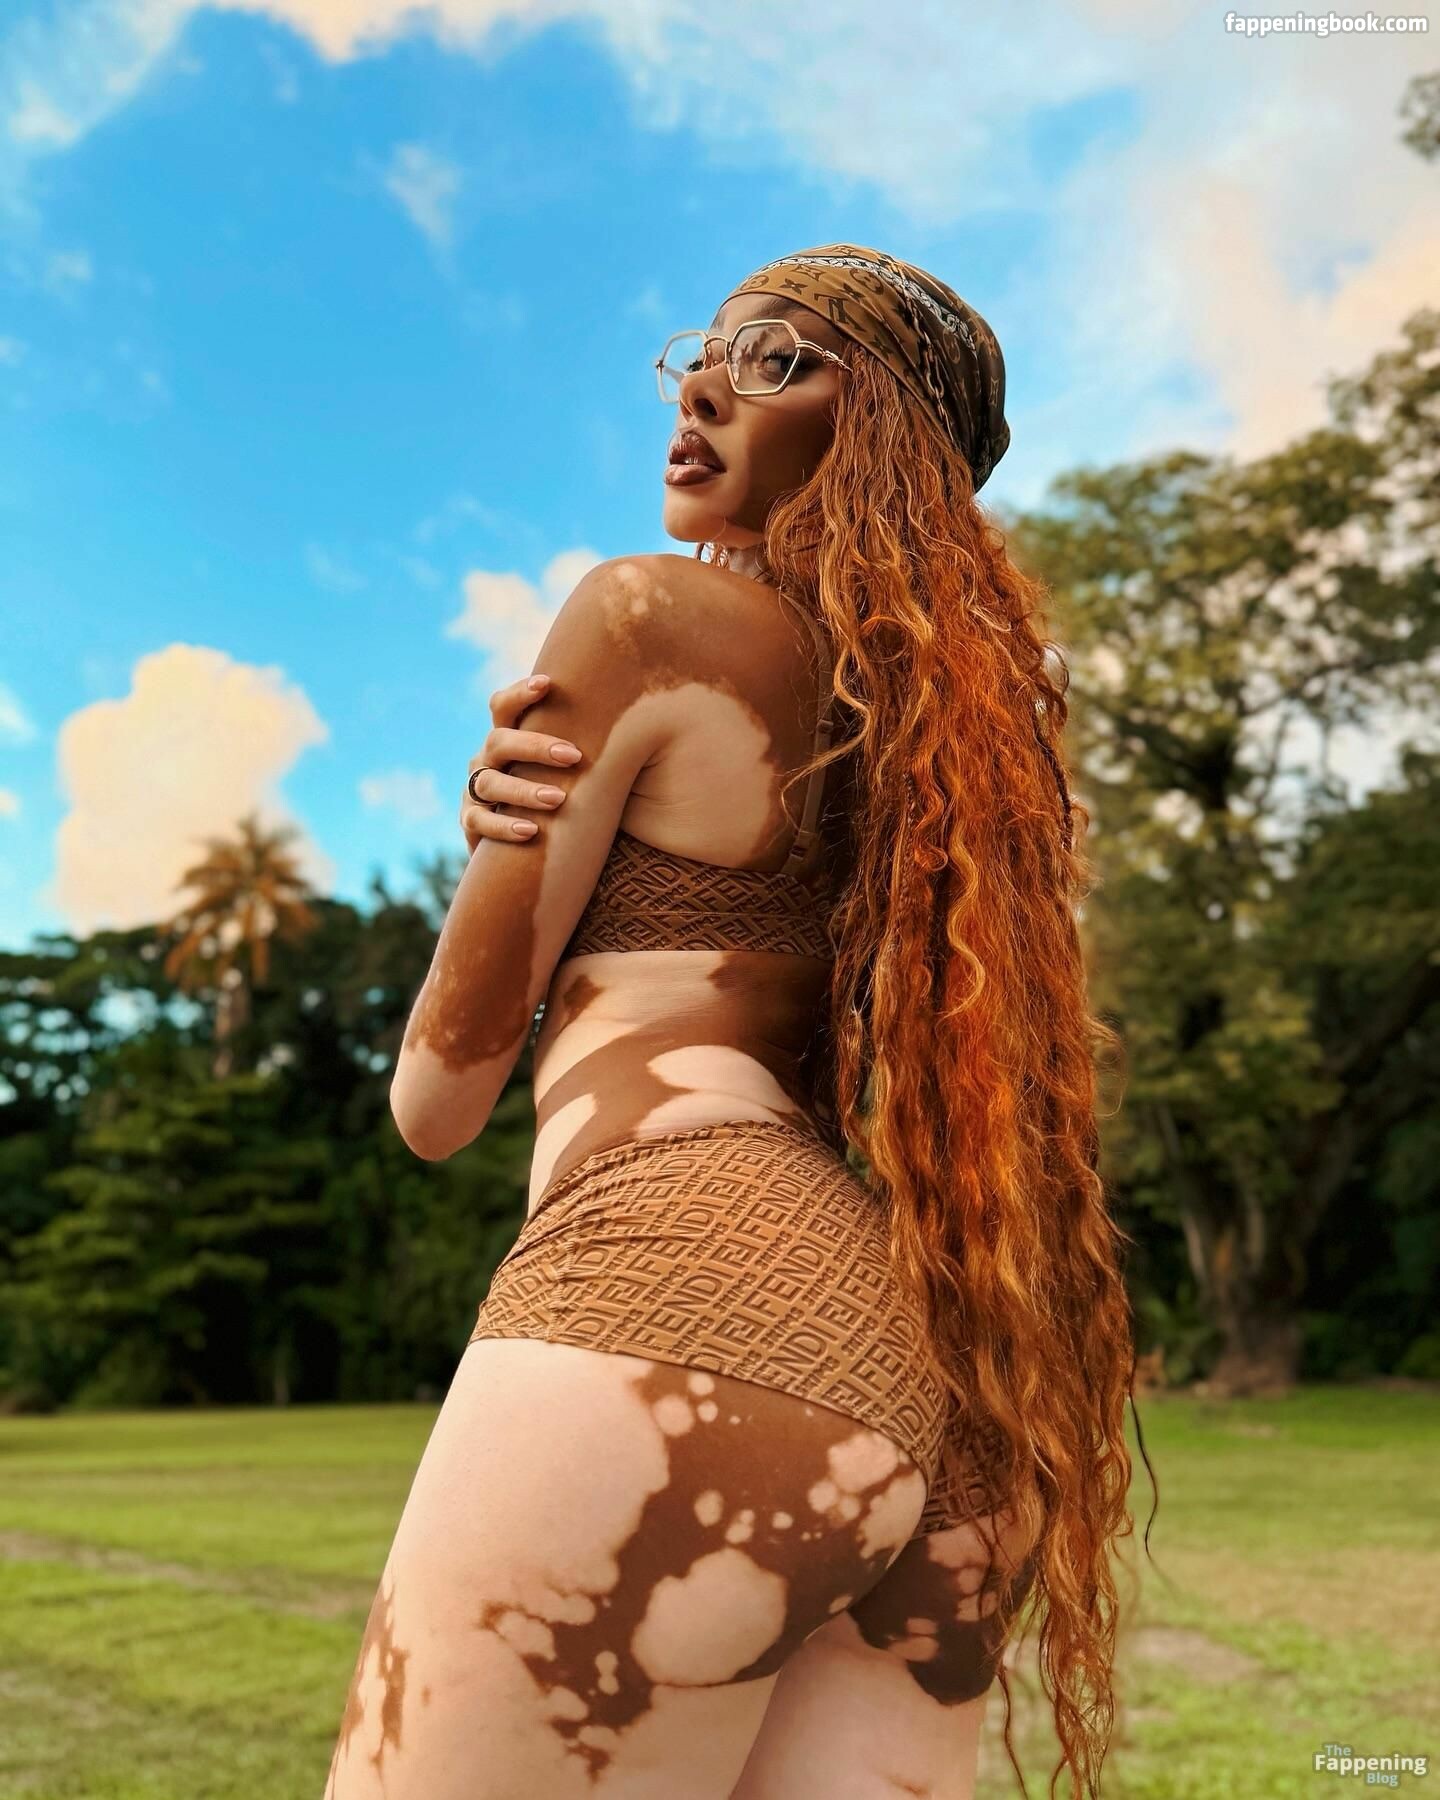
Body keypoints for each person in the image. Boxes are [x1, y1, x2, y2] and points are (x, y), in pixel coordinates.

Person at [323, 243, 1149, 1800]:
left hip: (683, 1286)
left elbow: (436, 1102)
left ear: (874, 429)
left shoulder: (647, 619)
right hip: (945, 1384)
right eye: (704, 351)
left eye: (776, 360)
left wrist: (499, 846)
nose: (703, 386)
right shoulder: (950, 747)